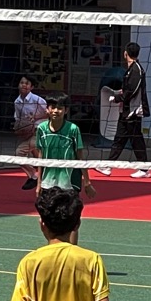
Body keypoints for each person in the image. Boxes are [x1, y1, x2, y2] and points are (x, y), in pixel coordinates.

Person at [35, 93, 94, 245]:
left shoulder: (73, 130)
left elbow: (80, 157)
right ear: (47, 109)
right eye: (53, 107)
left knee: (72, 220)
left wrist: (87, 182)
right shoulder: (41, 129)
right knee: (47, 219)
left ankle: (72, 251)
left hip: (69, 183)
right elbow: (40, 156)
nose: (56, 111)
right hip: (48, 183)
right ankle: (53, 250)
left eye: (60, 108)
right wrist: (39, 183)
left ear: (66, 110)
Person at [99, 42, 151, 178]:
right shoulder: (131, 69)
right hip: (126, 110)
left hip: (133, 111)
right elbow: (128, 89)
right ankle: (108, 166)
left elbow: (131, 91)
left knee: (136, 140)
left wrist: (117, 98)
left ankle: (144, 169)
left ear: (126, 53)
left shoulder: (136, 70)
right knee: (119, 139)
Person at [13, 76, 48, 191]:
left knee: (19, 153)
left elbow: (49, 114)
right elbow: (18, 118)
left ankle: (34, 176)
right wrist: (19, 127)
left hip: (40, 131)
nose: (24, 85)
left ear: (31, 87)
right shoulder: (17, 102)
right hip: (28, 132)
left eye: (27, 83)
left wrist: (35, 118)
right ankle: (44, 179)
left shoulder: (38, 100)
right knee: (38, 158)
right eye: (22, 82)